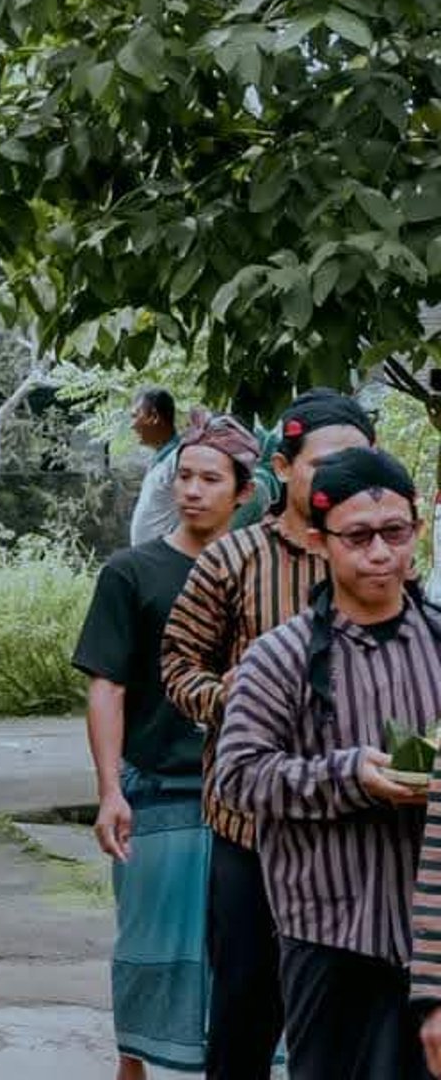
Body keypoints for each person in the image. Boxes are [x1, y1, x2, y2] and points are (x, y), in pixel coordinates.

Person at [160, 388, 375, 1080]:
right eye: (326, 463)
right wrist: (236, 696)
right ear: (284, 467)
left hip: (359, 829)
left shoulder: (378, 557)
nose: (346, 479)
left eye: (359, 462)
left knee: (352, 1020)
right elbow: (178, 665)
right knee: (246, 1014)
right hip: (252, 831)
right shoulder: (233, 560)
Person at [215, 448, 439, 1077]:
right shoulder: (278, 658)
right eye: (358, 537)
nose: (380, 553)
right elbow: (238, 776)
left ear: (417, 530)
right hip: (330, 928)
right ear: (320, 542)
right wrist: (347, 776)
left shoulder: (439, 642)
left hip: (434, 938)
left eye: (395, 533)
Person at [74, 415, 260, 1078]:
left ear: (244, 491)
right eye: (184, 476)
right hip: (158, 785)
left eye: (210, 479)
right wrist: (109, 790)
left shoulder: (268, 573)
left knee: (248, 953)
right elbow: (107, 685)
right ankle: (133, 1064)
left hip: (248, 794)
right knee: (148, 943)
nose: (193, 491)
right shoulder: (132, 572)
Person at [129, 387, 181, 546]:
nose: (132, 425)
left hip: (165, 557)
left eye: (135, 416)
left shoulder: (179, 459)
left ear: (154, 417)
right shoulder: (161, 459)